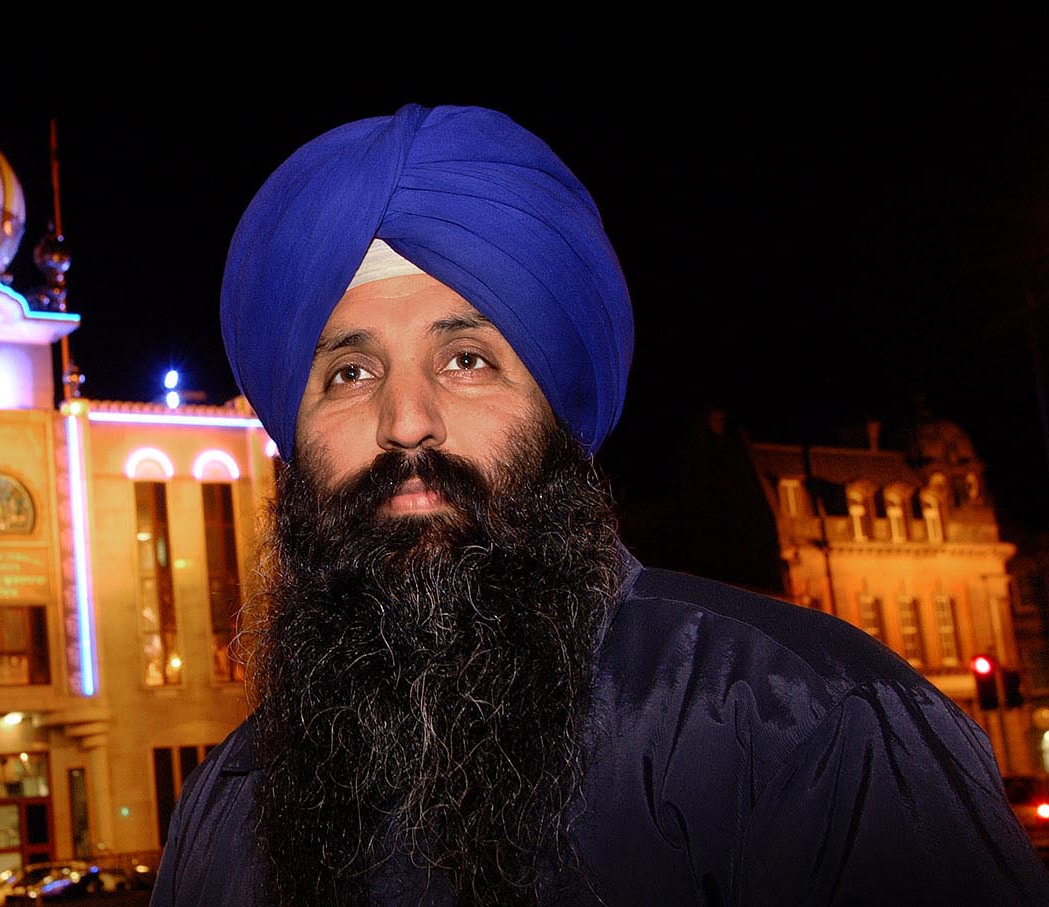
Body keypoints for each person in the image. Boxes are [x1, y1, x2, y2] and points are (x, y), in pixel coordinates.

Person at [150, 103, 1049, 906]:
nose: (406, 419)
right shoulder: (230, 806)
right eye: (350, 373)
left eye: (467, 359)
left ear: (558, 408)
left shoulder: (802, 725)